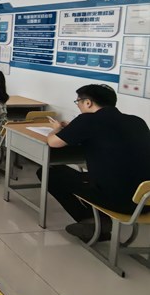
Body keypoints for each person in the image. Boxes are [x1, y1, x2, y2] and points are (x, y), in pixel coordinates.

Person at [45, 84, 150, 242]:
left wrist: (56, 129)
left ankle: (93, 222)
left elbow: (53, 142)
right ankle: (98, 220)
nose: (78, 106)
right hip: (145, 199)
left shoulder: (88, 120)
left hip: (118, 200)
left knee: (51, 174)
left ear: (88, 102)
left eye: (78, 102)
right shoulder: (137, 121)